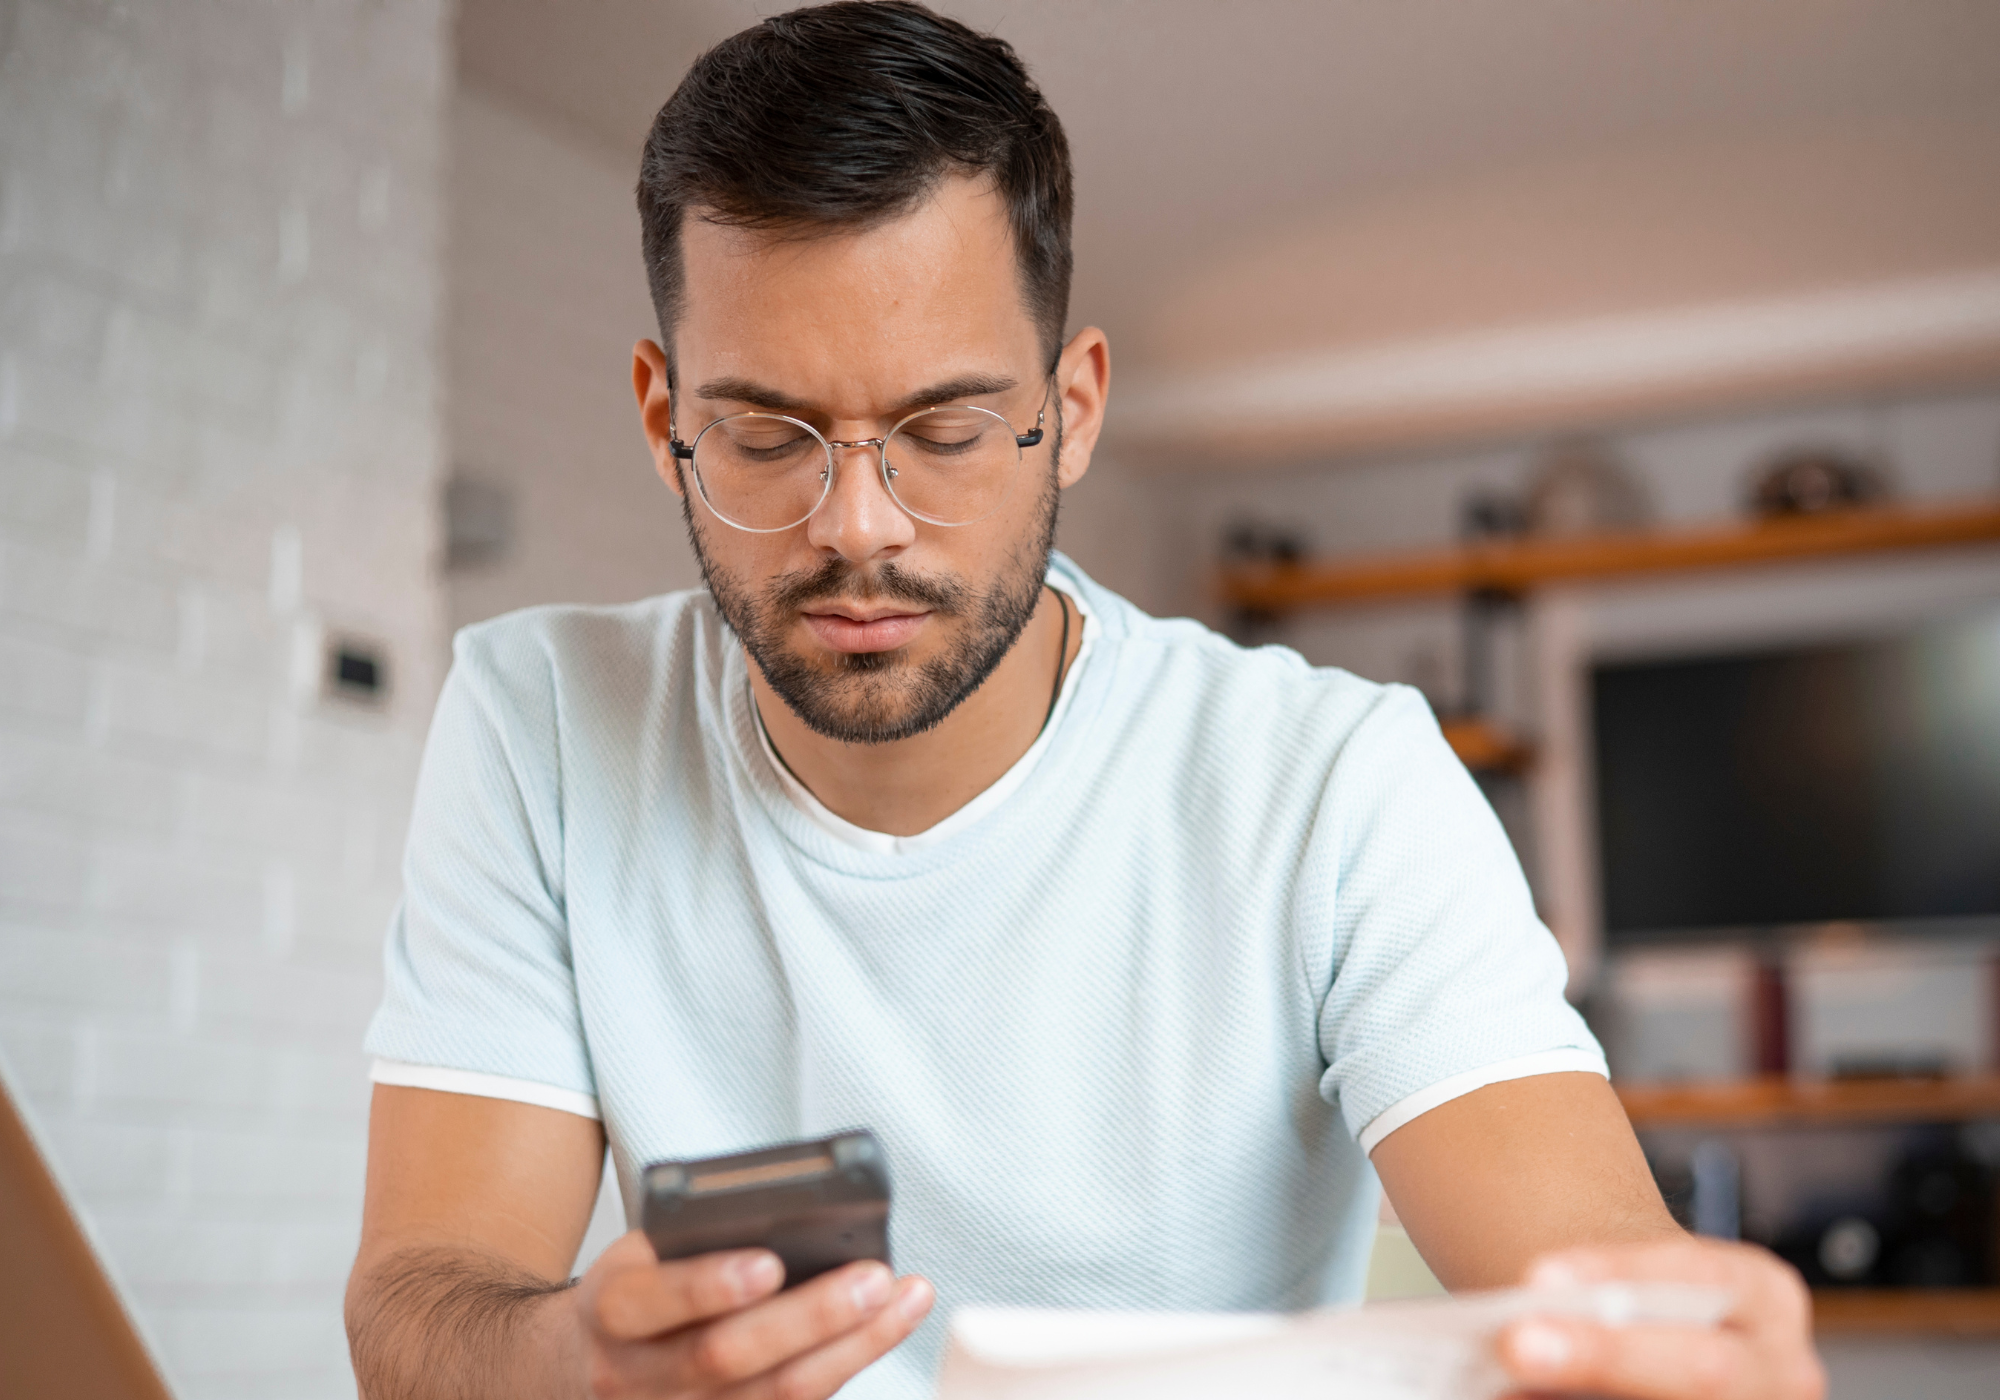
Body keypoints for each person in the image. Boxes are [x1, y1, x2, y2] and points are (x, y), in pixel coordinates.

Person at [343, 5, 1824, 1398]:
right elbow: (419, 1311)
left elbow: (1592, 1273)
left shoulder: (1336, 782)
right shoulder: (535, 720)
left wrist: (1670, 1347)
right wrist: (579, 1356)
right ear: (668, 418)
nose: (858, 523)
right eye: (769, 435)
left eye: (945, 429)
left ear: (1077, 411)